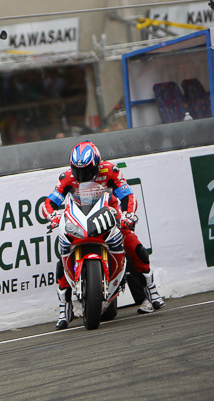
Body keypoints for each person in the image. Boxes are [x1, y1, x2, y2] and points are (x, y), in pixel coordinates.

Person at [42, 141, 165, 330]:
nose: (81, 175)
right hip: (79, 217)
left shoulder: (110, 171)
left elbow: (127, 196)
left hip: (109, 213)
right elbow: (50, 202)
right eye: (77, 170)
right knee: (63, 250)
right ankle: (64, 306)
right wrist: (51, 216)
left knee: (133, 244)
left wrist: (128, 215)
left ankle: (151, 291)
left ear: (97, 163)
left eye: (87, 170)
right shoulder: (66, 177)